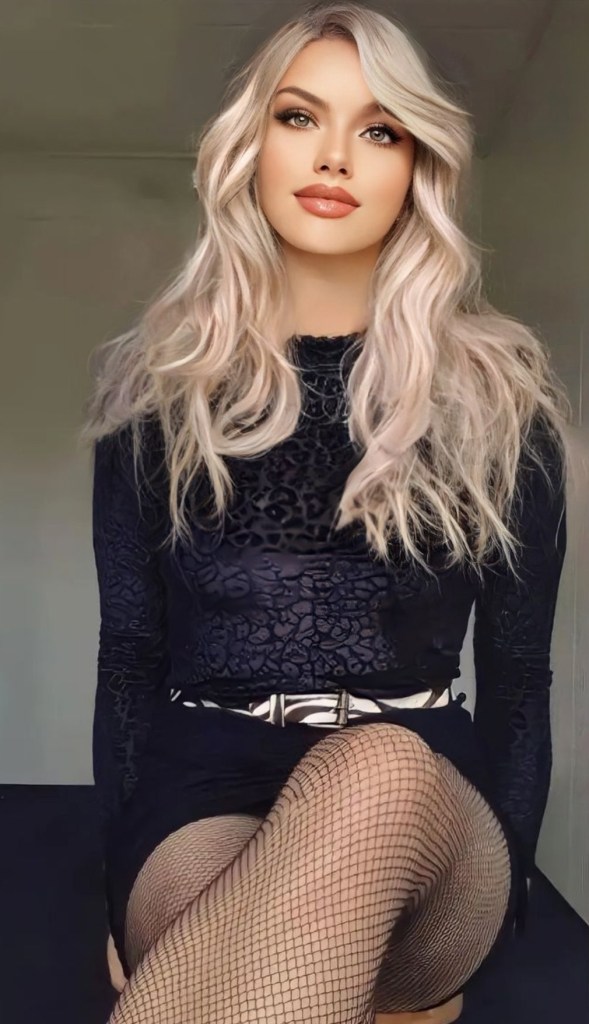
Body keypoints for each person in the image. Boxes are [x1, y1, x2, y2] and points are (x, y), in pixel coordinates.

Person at [81, 3, 572, 1022]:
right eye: (299, 116)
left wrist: (511, 876)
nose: (336, 155)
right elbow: (129, 657)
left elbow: (518, 676)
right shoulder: (155, 397)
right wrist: (113, 885)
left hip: (426, 798)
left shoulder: (499, 399)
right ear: (250, 146)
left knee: (377, 766)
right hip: (205, 787)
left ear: (417, 167)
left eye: (379, 129)